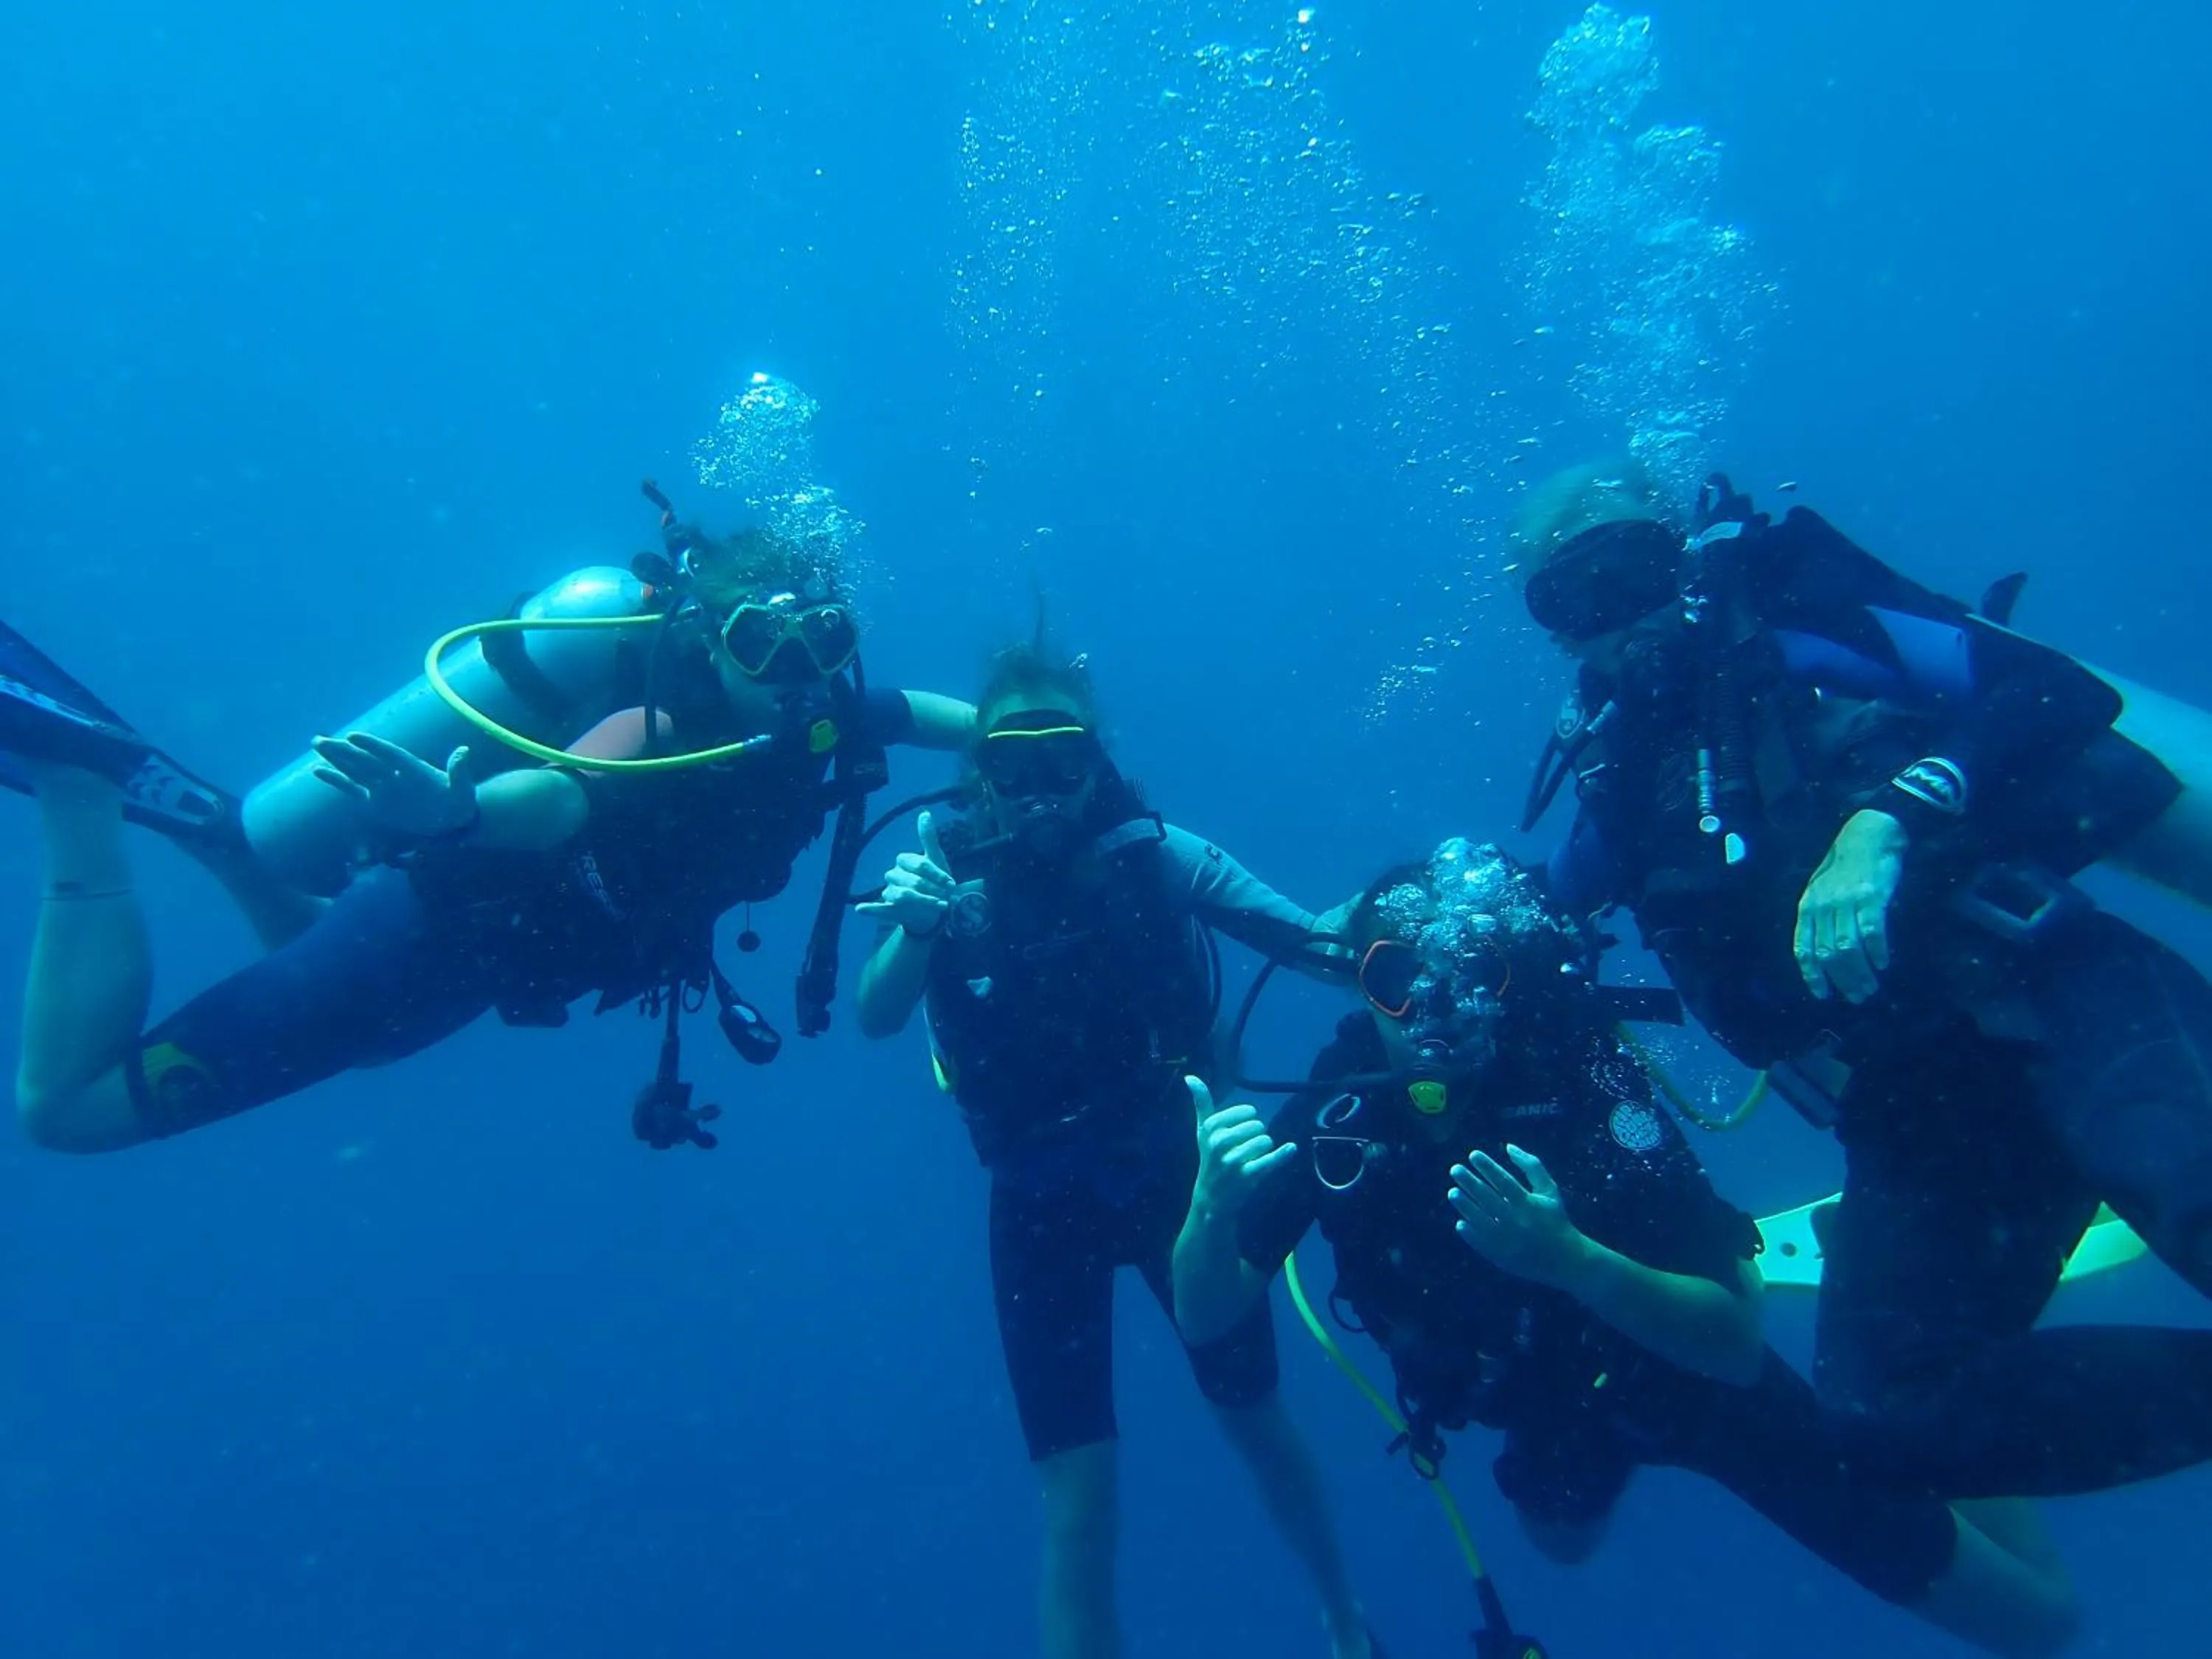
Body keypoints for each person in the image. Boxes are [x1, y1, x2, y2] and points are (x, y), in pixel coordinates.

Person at [1175, 840, 2081, 1658]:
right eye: (1395, 978)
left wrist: (1570, 1260)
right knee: (1560, 1544)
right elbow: (1206, 1316)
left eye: (1471, 975)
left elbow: (1729, 1345)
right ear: (1360, 987)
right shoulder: (1340, 1117)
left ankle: (1914, 1371)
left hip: (1691, 1386)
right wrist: (1210, 1215)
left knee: (2036, 1622)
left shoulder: (1586, 1086)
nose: (1432, 1008)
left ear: (1506, 982)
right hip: (1542, 1405)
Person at [1513, 459, 2212, 1497]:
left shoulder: (1794, 591)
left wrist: (1892, 817)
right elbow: (1549, 900)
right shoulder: (1616, 760)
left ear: (1679, 549)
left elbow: (2054, 691)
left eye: (1632, 568)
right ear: (1559, 629)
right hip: (1924, 1097)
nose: (1620, 616)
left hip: (2052, 982)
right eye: (1576, 595)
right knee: (1890, 1414)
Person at [10, 521, 973, 1152]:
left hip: (487, 967)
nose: (797, 672)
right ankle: (80, 800)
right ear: (712, 641)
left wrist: (1042, 741)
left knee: (371, 1047)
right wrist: (459, 812)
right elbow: (561, 796)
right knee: (67, 1111)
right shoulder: (664, 727)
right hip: (422, 932)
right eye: (765, 644)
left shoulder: (821, 725)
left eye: (826, 643)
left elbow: (930, 714)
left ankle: (231, 843)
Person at [851, 639, 1376, 1659]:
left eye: (1063, 759)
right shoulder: (939, 869)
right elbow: (877, 1013)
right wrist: (914, 928)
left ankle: (1345, 1620)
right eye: (1013, 762)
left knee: (1254, 1417)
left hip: (1174, 1180)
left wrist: (1388, 930)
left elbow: (1312, 942)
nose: (1039, 789)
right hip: (1033, 1197)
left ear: (1096, 763)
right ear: (979, 772)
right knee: (1077, 1497)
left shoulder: (1156, 851)